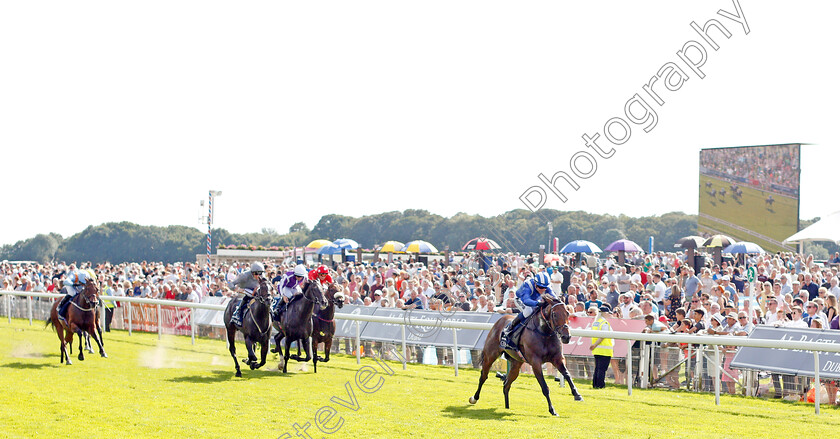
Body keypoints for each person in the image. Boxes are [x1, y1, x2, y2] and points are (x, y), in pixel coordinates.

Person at [500, 272, 555, 351]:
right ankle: (510, 327)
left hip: (534, 300)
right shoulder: (528, 285)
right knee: (528, 311)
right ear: (535, 284)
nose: (542, 289)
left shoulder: (546, 286)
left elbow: (554, 297)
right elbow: (526, 300)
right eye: (540, 287)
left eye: (545, 288)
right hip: (520, 299)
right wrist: (538, 303)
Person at [228, 262, 265, 327]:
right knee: (250, 295)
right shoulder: (244, 276)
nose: (258, 276)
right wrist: (235, 289)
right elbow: (230, 284)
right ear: (252, 272)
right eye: (256, 274)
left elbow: (268, 284)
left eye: (260, 273)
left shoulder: (262, 276)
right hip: (244, 289)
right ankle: (237, 312)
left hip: (255, 290)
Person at [590, 305, 614, 389]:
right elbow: (603, 336)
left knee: (597, 368)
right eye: (608, 313)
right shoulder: (604, 323)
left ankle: (595, 384)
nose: (609, 315)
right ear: (604, 313)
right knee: (602, 369)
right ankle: (600, 385)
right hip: (605, 349)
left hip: (597, 350)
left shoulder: (596, 322)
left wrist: (594, 345)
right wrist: (595, 344)